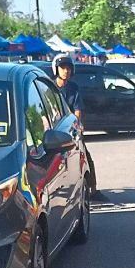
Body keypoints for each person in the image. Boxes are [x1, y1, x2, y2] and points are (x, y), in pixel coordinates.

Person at [52, 55, 98, 194]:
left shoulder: (73, 88)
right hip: (53, 130)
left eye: (68, 68)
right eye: (63, 68)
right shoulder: (49, 87)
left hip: (70, 128)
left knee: (85, 156)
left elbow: (77, 110)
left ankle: (93, 189)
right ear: (56, 69)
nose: (66, 71)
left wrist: (77, 128)